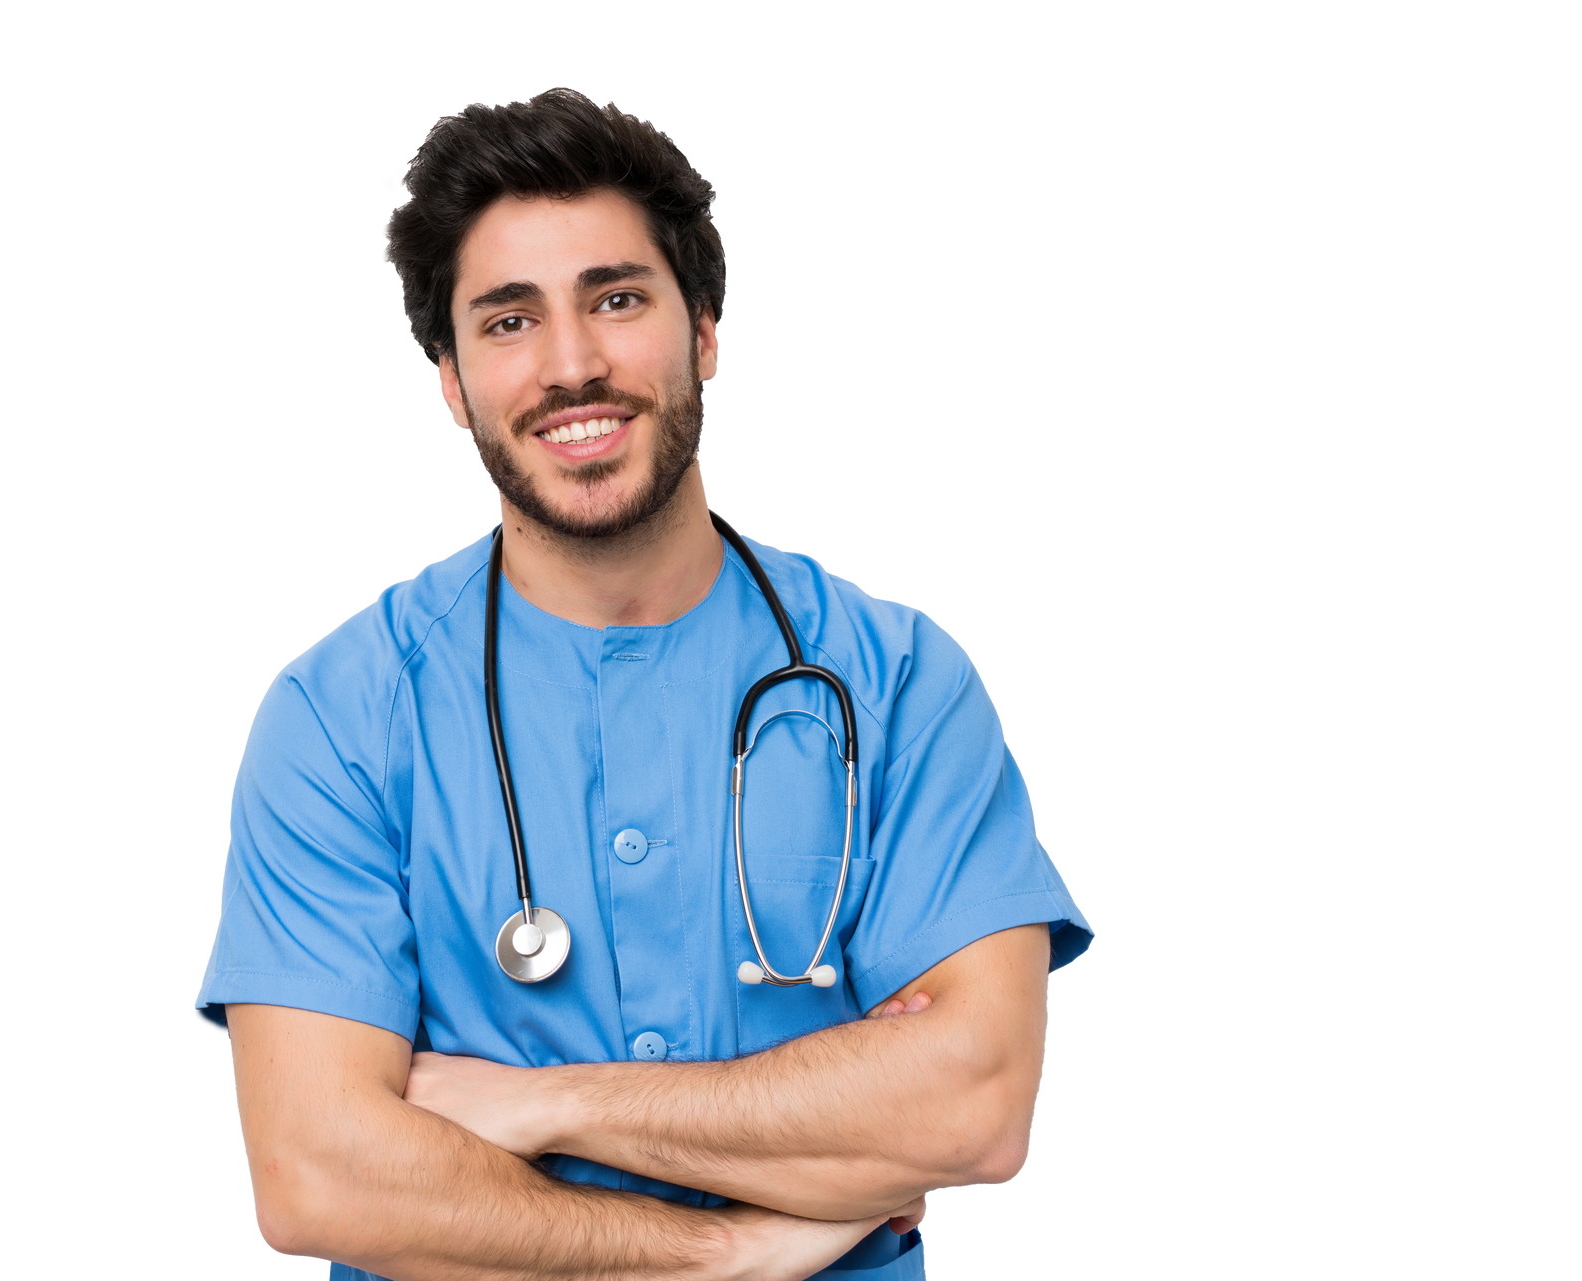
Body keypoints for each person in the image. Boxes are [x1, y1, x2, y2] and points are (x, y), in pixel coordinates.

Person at [189, 85, 1095, 1280]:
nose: (573, 366)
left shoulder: (899, 680)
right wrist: (730, 1250)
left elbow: (972, 1111)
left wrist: (543, 1104)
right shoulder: (339, 716)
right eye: (509, 321)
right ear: (451, 382)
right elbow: (321, 1180)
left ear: (706, 331)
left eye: (617, 299)